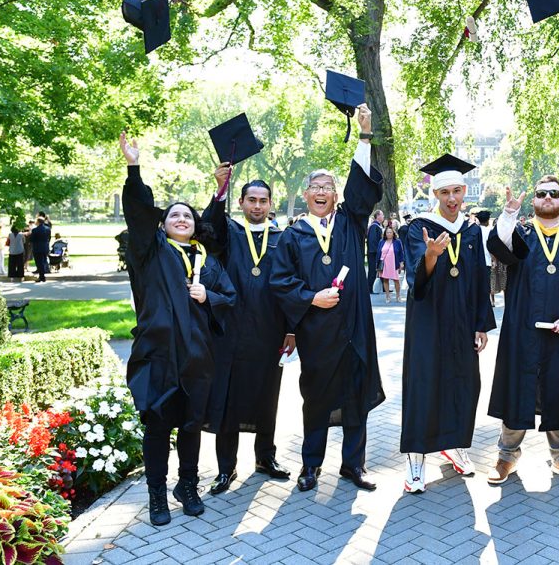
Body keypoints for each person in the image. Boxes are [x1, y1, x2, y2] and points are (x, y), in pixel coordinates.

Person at [118, 132, 236, 527]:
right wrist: (134, 168)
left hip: (198, 357)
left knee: (190, 425)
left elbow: (229, 297)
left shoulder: (207, 260)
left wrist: (209, 297)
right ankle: (156, 494)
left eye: (188, 215)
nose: (182, 219)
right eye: (174, 215)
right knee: (157, 427)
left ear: (194, 225)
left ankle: (186, 485)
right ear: (164, 225)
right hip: (160, 354)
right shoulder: (150, 251)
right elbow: (137, 214)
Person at [270, 103, 385, 494]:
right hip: (317, 331)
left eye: (328, 187)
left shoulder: (352, 222)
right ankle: (311, 466)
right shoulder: (293, 234)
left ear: (337, 195)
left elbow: (361, 187)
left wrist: (364, 136)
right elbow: (280, 281)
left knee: (356, 398)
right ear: (306, 195)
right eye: (315, 187)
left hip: (353, 328)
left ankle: (353, 465)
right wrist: (310, 298)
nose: (321, 192)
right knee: (316, 401)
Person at [486, 177, 559, 487]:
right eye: (541, 194)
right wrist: (508, 214)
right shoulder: (521, 236)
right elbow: (497, 246)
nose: (547, 197)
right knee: (517, 390)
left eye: (554, 194)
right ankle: (506, 455)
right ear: (534, 200)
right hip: (522, 331)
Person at [401, 154, 496, 493]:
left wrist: (481, 323)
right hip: (428, 320)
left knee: (463, 383)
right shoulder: (418, 227)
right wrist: (430, 255)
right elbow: (416, 280)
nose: (453, 199)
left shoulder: (471, 229)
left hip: (461, 321)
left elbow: (477, 279)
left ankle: (453, 444)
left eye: (458, 191)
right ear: (436, 195)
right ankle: (415, 458)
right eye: (445, 193)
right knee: (424, 384)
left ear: (465, 191)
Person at [201, 170, 292, 495]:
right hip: (230, 331)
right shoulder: (229, 234)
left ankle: (265, 458)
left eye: (263, 200)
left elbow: (292, 285)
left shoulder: (283, 238)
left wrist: (292, 330)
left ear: (271, 203)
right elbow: (207, 230)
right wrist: (220, 189)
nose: (257, 205)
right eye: (251, 200)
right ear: (240, 203)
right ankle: (226, 469)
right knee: (228, 398)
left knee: (268, 396)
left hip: (270, 331)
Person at [376, 224, 404, 303]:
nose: (389, 234)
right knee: (385, 280)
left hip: (394, 263)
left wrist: (401, 263)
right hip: (384, 263)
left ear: (393, 233)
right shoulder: (381, 241)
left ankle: (398, 295)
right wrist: (377, 265)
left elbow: (401, 253)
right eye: (387, 232)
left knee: (396, 280)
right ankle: (387, 296)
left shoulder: (397, 241)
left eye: (390, 232)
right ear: (385, 233)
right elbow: (378, 253)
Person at [475, 211, 494, 306]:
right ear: (487, 220)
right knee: (486, 285)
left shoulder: (473, 230)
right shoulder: (490, 231)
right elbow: (492, 247)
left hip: (475, 262)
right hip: (487, 262)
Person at [366, 210, 384, 293]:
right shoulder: (374, 226)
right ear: (378, 216)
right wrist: (377, 252)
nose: (383, 217)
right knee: (373, 270)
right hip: (373, 252)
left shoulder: (377, 226)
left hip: (377, 252)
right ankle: (369, 288)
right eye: (382, 215)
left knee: (380, 269)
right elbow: (372, 240)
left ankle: (382, 287)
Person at [29, 215, 51, 282]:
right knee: (43, 261)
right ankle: (42, 274)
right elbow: (49, 238)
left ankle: (42, 276)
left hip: (37, 248)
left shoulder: (35, 230)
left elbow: (32, 239)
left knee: (39, 262)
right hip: (45, 247)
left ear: (38, 222)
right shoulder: (48, 229)